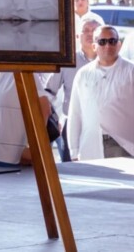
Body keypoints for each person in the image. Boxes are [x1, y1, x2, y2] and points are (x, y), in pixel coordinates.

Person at [68, 26, 134, 160]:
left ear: (119, 45)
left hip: (124, 146)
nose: (108, 45)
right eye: (102, 42)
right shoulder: (83, 74)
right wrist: (74, 150)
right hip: (90, 147)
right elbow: (75, 113)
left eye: (112, 41)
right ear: (94, 46)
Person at [45, 17, 102, 162]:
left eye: (94, 31)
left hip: (103, 127)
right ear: (78, 36)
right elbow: (48, 92)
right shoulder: (67, 61)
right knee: (71, 172)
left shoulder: (111, 62)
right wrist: (54, 117)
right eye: (86, 31)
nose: (90, 34)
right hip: (73, 125)